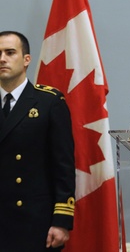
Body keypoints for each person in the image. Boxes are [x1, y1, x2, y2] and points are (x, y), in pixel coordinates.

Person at [0, 30, 75, 251]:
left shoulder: (49, 102)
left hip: (34, 222)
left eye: (10, 52)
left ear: (26, 60)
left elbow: (64, 166)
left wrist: (62, 220)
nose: (2, 58)